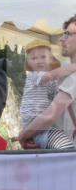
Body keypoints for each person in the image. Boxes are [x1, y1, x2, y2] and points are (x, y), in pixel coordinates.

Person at [18, 15, 76, 148]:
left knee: (66, 151)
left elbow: (51, 114)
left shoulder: (70, 74)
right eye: (34, 58)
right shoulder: (61, 73)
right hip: (45, 130)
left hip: (53, 136)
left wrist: (25, 135)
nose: (61, 38)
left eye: (67, 34)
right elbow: (65, 105)